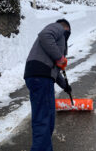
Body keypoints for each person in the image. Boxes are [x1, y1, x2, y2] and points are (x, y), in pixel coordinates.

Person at [24, 19, 72, 151]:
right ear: (66, 28)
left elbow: (54, 71)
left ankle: (45, 146)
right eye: (68, 32)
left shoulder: (55, 44)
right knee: (43, 118)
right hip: (41, 76)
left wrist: (65, 86)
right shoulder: (58, 27)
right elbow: (44, 35)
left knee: (48, 116)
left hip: (42, 76)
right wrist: (60, 57)